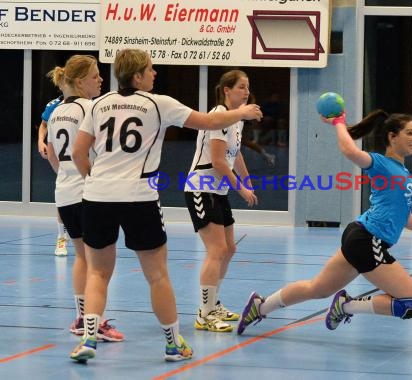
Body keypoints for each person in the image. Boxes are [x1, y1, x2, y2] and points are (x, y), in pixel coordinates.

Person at [69, 49, 262, 362]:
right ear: (138, 75)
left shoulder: (97, 105)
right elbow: (209, 120)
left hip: (97, 198)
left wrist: (95, 181)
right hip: (139, 198)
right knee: (157, 275)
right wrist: (242, 113)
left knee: (98, 273)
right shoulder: (159, 103)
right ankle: (173, 344)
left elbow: (79, 153)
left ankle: (89, 338)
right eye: (150, 69)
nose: (155, 73)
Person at [237, 109, 412, 335]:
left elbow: (406, 218)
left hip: (360, 237)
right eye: (409, 133)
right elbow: (349, 150)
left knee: (318, 288)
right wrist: (339, 123)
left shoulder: (402, 172)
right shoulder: (380, 163)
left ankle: (261, 306)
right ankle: (345, 306)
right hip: (368, 240)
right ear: (392, 137)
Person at [45, 55, 124, 343]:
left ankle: (81, 317)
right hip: (90, 194)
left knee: (82, 258)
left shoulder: (54, 113)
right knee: (100, 265)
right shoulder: (90, 108)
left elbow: (52, 155)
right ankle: (95, 323)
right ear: (79, 82)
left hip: (64, 193)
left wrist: (66, 176)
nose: (101, 80)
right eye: (95, 76)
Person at [184, 69, 258, 333]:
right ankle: (204, 314)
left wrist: (247, 179)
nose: (246, 91)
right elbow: (217, 161)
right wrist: (240, 189)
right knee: (216, 251)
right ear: (226, 90)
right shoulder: (218, 116)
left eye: (248, 87)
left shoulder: (236, 120)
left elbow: (234, 155)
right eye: (241, 87)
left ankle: (213, 304)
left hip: (217, 191)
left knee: (229, 249)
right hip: (201, 188)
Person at [37, 89, 69, 256]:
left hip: (84, 156)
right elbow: (43, 125)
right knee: (62, 196)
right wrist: (40, 141)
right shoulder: (54, 105)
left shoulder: (88, 103)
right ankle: (61, 237)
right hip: (61, 156)